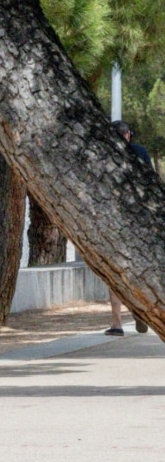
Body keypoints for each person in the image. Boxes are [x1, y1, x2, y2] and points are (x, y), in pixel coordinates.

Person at [105, 120, 153, 336]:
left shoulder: (104, 155)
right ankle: (140, 311)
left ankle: (117, 324)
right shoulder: (140, 152)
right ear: (129, 135)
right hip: (139, 221)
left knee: (113, 274)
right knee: (139, 272)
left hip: (113, 221)